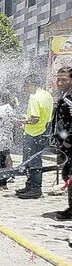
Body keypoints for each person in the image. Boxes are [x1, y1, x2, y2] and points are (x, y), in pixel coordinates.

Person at [16, 74, 53, 199]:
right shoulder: (47, 95)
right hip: (43, 132)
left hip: (33, 133)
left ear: (32, 84)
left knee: (33, 162)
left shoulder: (34, 98)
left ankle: (35, 188)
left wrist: (20, 122)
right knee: (35, 160)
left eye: (26, 84)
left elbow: (35, 119)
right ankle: (30, 185)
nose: (24, 87)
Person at [52, 67, 72, 220]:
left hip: (69, 144)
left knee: (69, 175)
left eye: (64, 79)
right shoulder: (65, 94)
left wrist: (68, 141)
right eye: (58, 79)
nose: (59, 82)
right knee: (67, 174)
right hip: (63, 143)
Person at [0, 92, 16, 189]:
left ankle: (0, 183)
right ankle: (3, 182)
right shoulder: (9, 108)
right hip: (7, 138)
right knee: (3, 160)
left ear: (0, 99)